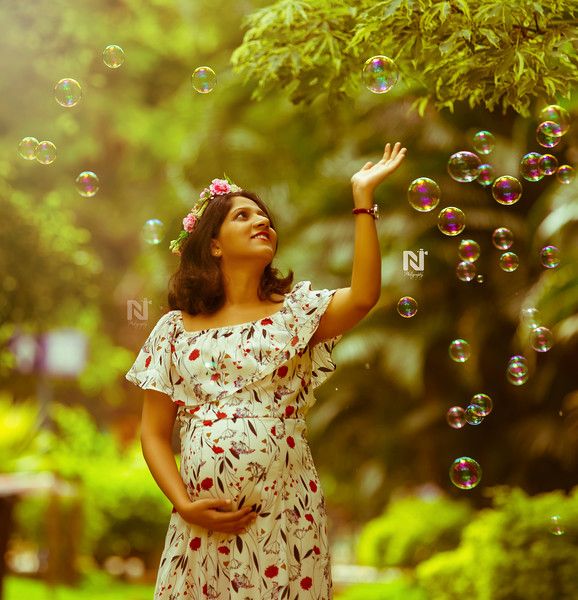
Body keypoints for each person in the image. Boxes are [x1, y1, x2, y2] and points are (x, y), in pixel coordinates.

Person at [125, 142, 407, 599]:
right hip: (203, 525)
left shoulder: (295, 315)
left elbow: (362, 296)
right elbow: (153, 433)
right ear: (213, 244)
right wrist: (184, 505)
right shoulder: (173, 330)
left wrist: (362, 200)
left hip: (287, 515)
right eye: (243, 216)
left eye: (266, 219)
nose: (262, 222)